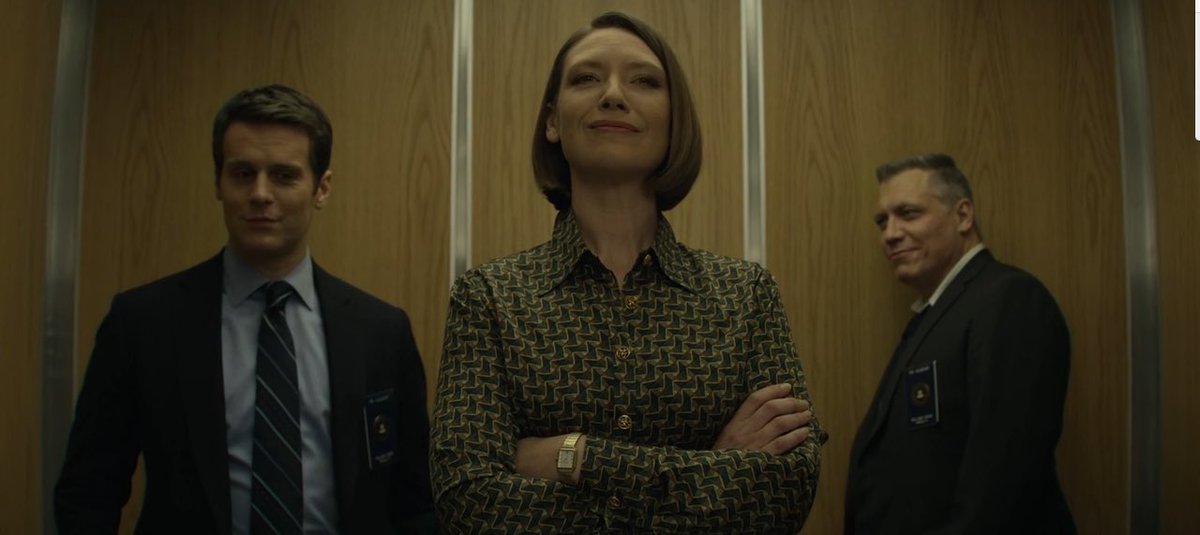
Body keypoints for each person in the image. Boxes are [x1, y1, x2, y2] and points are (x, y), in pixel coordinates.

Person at [431, 12, 822, 533]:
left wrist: (575, 456)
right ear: (552, 121)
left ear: (674, 120)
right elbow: (468, 501)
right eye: (586, 78)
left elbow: (786, 490)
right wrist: (716, 463)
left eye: (643, 81)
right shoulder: (489, 297)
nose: (613, 95)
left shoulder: (746, 295)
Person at [55, 84, 437, 534]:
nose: (260, 193)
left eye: (284, 175)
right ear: (218, 182)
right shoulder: (143, 323)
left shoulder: (381, 332)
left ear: (322, 188)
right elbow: (89, 492)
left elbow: (415, 500)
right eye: (242, 173)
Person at [845, 153, 1075, 534]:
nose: (890, 233)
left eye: (908, 213)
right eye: (882, 221)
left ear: (963, 215)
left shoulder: (1009, 300)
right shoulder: (938, 314)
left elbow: (1003, 480)